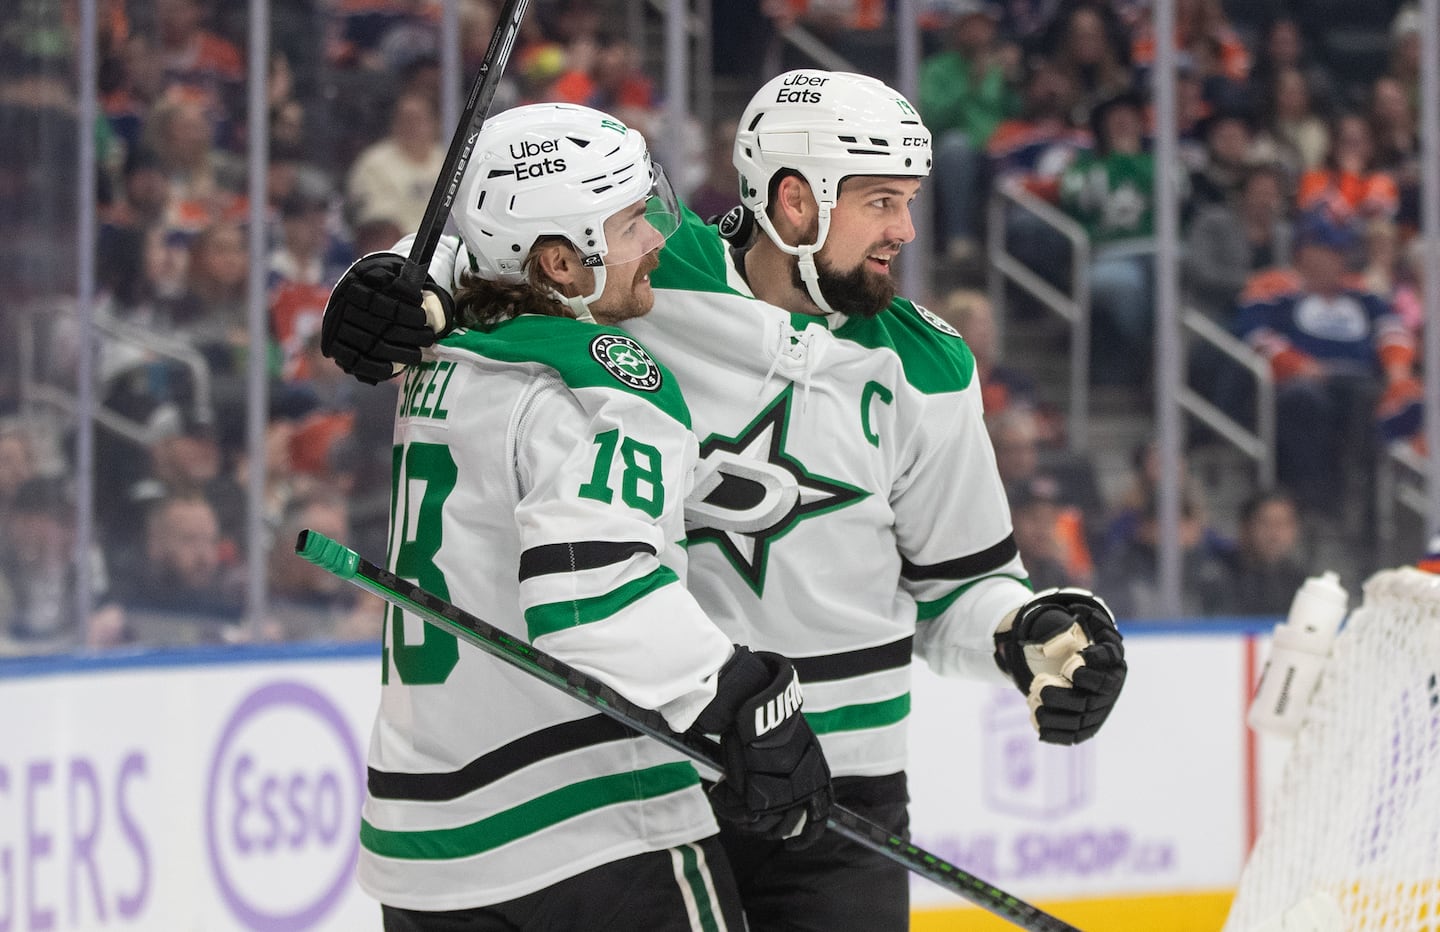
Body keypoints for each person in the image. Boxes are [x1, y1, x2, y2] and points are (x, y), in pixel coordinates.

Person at [323, 72, 1127, 931]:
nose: (906, 230)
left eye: (908, 201)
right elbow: (506, 223)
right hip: (669, 762)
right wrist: (392, 283)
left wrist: (1024, 633)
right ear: (796, 201)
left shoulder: (929, 369)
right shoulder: (651, 269)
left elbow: (962, 590)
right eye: (881, 201)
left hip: (837, 796)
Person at [333, 102, 830, 932]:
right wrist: (737, 695)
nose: (656, 244)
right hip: (591, 825)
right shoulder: (604, 386)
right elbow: (588, 596)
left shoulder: (440, 358)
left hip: (423, 849)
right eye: (633, 221)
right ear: (563, 263)